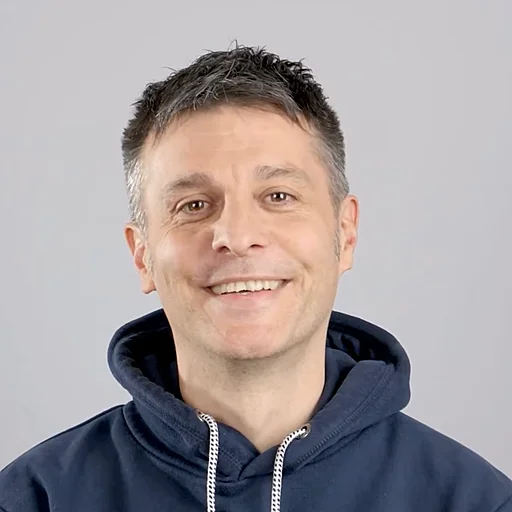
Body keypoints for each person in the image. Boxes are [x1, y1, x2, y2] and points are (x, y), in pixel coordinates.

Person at [1, 45, 511, 512]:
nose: (238, 236)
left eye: (278, 197)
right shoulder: (34, 499)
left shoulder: (474, 502)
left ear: (345, 233)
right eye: (193, 205)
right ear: (142, 256)